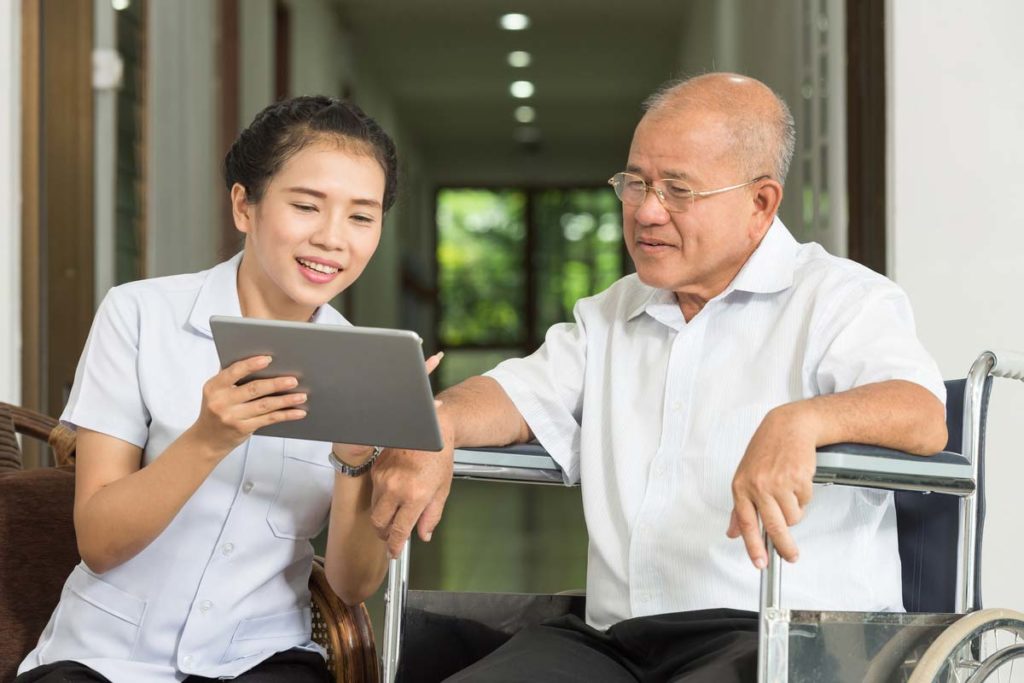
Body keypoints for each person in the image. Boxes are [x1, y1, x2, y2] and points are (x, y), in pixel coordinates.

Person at [368, 73, 948, 682]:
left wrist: (801, 421)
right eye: (636, 183)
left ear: (761, 203)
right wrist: (437, 421)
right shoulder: (613, 312)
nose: (646, 210)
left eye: (678, 190)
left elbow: (922, 413)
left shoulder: (839, 298)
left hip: (777, 638)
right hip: (615, 639)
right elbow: (514, 393)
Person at [16, 95, 435, 683]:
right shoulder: (139, 314)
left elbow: (350, 584)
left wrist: (355, 459)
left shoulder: (368, 363)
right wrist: (208, 439)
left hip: (263, 659)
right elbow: (100, 542)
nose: (333, 239)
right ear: (245, 205)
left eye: (361, 217)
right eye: (307, 206)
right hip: (102, 656)